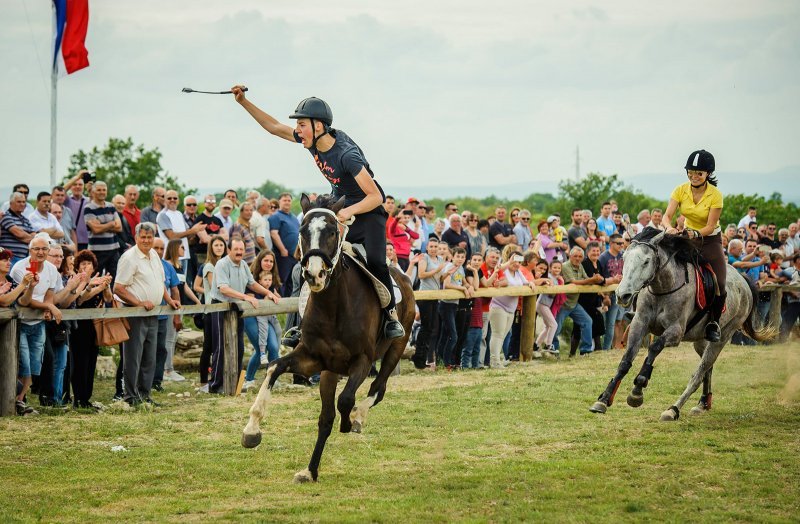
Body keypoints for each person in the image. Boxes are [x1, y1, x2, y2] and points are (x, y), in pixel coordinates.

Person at [231, 89, 405, 339]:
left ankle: (390, 316)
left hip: (367, 212)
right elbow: (274, 127)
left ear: (318, 126)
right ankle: (299, 325)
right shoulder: (311, 141)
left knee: (376, 262)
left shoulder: (347, 156)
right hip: (340, 204)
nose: (297, 130)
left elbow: (376, 196)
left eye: (301, 124)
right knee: (310, 260)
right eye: (298, 125)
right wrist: (244, 102)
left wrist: (347, 212)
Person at [661, 149, 726, 342]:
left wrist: (696, 233)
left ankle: (713, 322)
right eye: (691, 172)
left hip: (709, 240)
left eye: (699, 173)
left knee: (720, 283)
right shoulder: (680, 190)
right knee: (659, 262)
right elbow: (667, 216)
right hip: (685, 237)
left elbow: (710, 226)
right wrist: (668, 228)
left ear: (708, 174)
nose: (694, 176)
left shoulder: (715, 195)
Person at [113, 222, 180, 406]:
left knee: (150, 358)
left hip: (154, 313)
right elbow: (118, 288)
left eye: (149, 237)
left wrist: (168, 299)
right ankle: (131, 397)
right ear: (136, 237)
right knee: (133, 357)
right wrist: (139, 302)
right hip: (135, 313)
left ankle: (145, 396)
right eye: (143, 237)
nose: (146, 240)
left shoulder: (154, 256)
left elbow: (160, 282)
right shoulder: (129, 258)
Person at [207, 238, 275, 393]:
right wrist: (245, 297)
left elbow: (251, 284)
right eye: (236, 249)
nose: (239, 252)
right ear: (229, 250)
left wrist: (268, 293)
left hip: (236, 307)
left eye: (241, 249)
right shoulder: (222, 264)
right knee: (220, 347)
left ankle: (235, 384)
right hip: (220, 306)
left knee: (239, 347)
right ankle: (216, 385)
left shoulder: (244, 264)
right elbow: (223, 289)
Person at [11, 235, 63, 415]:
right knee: (22, 364)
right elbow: (25, 301)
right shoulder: (19, 268)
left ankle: (19, 401)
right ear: (29, 250)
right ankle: (13, 400)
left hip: (38, 323)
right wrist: (49, 306)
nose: (40, 252)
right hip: (21, 321)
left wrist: (48, 307)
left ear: (48, 251)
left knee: (34, 366)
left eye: (44, 249)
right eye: (36, 249)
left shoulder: (51, 269)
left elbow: (50, 292)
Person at [70, 250, 114, 409]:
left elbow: (108, 298)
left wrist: (106, 286)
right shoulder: (75, 281)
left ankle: (86, 398)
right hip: (79, 327)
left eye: (89, 263)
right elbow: (81, 299)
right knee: (80, 363)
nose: (86, 266)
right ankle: (78, 398)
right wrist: (95, 286)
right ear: (78, 266)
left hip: (94, 326)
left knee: (91, 362)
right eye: (83, 264)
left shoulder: (97, 280)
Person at [242, 250, 282, 391]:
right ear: (259, 261)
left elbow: (278, 297)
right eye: (266, 260)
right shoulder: (251, 278)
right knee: (260, 349)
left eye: (271, 261)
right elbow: (249, 298)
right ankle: (249, 379)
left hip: (267, 317)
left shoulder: (272, 279)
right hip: (251, 317)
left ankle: (272, 379)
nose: (268, 264)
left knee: (273, 346)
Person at [192, 235, 228, 392]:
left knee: (218, 345)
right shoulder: (209, 266)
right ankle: (203, 380)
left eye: (221, 245)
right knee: (209, 347)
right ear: (211, 248)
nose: (219, 247)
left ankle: (217, 376)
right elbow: (216, 287)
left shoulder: (224, 264)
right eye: (216, 245)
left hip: (220, 308)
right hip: (211, 309)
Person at [487, 249, 534, 368]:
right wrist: (509, 262)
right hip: (499, 306)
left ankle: (498, 359)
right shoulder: (504, 270)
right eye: (514, 261)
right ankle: (494, 361)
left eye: (519, 262)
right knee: (497, 334)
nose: (516, 264)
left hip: (511, 309)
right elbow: (498, 268)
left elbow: (525, 282)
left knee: (503, 335)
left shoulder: (518, 273)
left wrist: (531, 284)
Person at [554, 247, 602, 356]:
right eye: (575, 256)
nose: (578, 258)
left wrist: (597, 281)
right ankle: (553, 350)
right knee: (556, 327)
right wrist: (593, 279)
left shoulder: (580, 266)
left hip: (573, 304)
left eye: (580, 256)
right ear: (570, 256)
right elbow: (574, 282)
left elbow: (586, 279)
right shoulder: (565, 266)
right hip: (563, 304)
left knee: (587, 321)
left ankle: (585, 350)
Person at [436, 247, 473, 368]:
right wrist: (463, 289)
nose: (460, 259)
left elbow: (463, 282)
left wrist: (469, 286)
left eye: (463, 257)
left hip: (454, 305)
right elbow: (446, 284)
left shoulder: (461, 268)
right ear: (453, 256)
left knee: (446, 334)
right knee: (453, 335)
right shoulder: (449, 267)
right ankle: (446, 363)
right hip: (446, 304)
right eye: (458, 256)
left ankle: (441, 361)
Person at [84, 181, 122, 277]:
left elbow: (119, 227)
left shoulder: (111, 206)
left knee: (114, 277)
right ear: (93, 192)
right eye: (99, 190)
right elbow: (96, 230)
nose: (102, 192)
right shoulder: (88, 208)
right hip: (96, 251)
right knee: (96, 277)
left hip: (113, 249)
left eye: (104, 190)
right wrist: (111, 223)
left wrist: (102, 225)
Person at [267, 193, 300, 297]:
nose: (287, 202)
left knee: (292, 280)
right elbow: (274, 233)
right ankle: (280, 302)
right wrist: (282, 249)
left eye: (289, 200)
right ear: (279, 202)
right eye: (284, 200)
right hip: (283, 255)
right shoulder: (276, 217)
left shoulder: (294, 217)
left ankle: (289, 302)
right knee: (282, 279)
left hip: (294, 255)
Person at [598, 233, 625, 349]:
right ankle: (602, 348)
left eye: (623, 243)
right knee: (603, 323)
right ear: (611, 243)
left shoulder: (623, 256)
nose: (622, 245)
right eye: (619, 243)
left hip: (619, 293)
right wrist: (604, 295)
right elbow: (599, 277)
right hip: (604, 294)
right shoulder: (603, 257)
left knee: (613, 322)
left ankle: (609, 348)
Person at [535, 260, 564, 356]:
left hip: (545, 304)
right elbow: (550, 290)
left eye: (559, 268)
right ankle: (548, 345)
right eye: (554, 267)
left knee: (548, 326)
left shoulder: (556, 279)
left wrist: (562, 282)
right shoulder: (549, 277)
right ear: (550, 268)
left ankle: (536, 344)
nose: (557, 269)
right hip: (542, 304)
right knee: (554, 325)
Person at [1, 192, 37, 266]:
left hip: (24, 258)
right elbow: (18, 233)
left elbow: (35, 237)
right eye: (19, 202)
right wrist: (28, 237)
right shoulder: (6, 216)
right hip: (9, 258)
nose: (22, 204)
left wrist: (24, 237)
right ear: (11, 203)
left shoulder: (26, 220)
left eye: (24, 202)